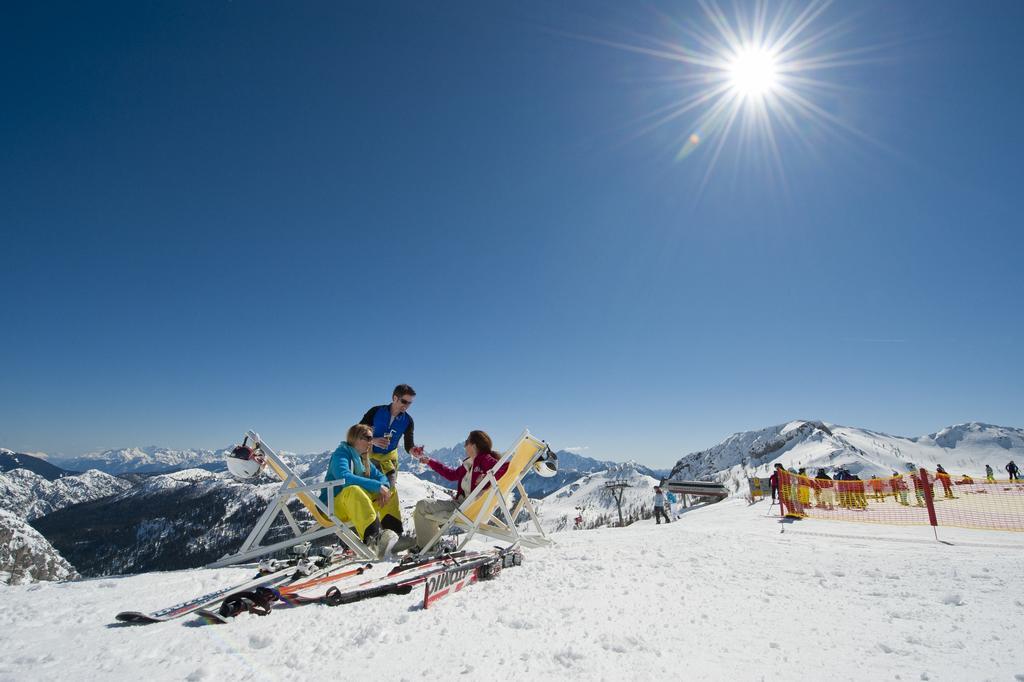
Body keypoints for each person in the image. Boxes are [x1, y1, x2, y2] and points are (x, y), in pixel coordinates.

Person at [410, 430, 509, 551]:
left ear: (473, 445)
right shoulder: (469, 463)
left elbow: (505, 468)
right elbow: (451, 475)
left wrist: (487, 478)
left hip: (468, 510)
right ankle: (429, 545)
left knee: (426, 511)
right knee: (422, 505)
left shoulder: (485, 459)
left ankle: (427, 548)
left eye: (466, 442)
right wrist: (430, 461)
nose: (464, 445)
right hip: (459, 505)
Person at [320, 424, 399, 559]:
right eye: (368, 438)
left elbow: (382, 478)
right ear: (355, 438)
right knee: (353, 490)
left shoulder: (363, 459)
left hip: (351, 505)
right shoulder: (341, 453)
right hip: (331, 507)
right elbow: (344, 477)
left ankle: (394, 536)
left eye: (372, 438)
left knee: (390, 492)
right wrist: (377, 486)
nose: (371, 442)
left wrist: (382, 488)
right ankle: (374, 539)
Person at [359, 384, 424, 535]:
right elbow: (357, 433)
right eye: (404, 401)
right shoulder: (375, 411)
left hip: (389, 462)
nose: (406, 406)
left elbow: (409, 445)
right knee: (366, 493)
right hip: (369, 459)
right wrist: (373, 440)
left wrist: (414, 451)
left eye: (410, 403)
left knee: (389, 492)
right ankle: (367, 533)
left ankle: (393, 534)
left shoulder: (408, 421)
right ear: (395, 398)